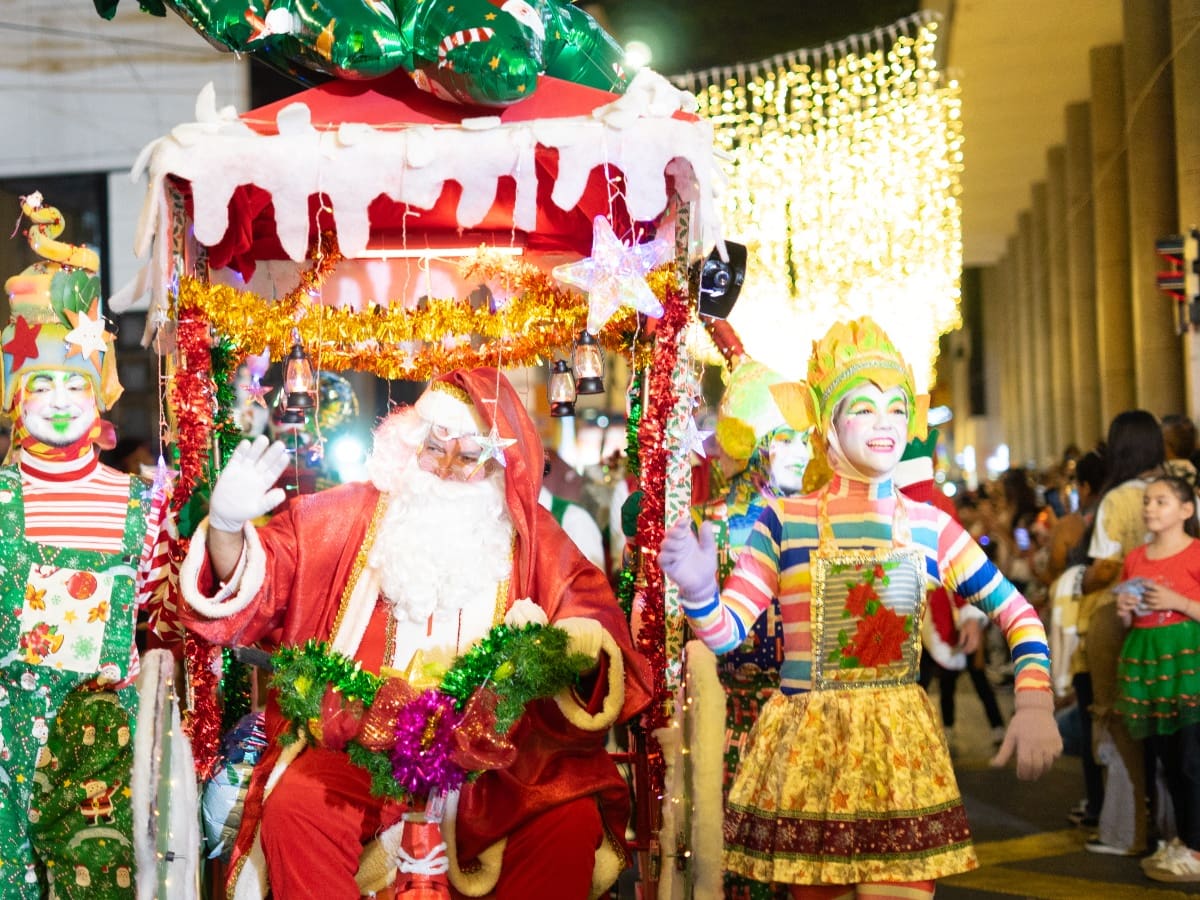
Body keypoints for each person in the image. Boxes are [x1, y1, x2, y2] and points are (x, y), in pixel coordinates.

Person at [178, 366, 653, 900]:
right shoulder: (349, 515)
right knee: (297, 809)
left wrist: (576, 643)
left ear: (498, 464)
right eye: (435, 448)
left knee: (565, 825)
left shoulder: (530, 537)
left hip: (498, 763)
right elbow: (257, 577)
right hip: (360, 744)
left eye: (470, 455)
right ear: (409, 444)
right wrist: (224, 530)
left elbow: (592, 619)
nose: (448, 468)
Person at [658, 317, 1060, 897]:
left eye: (897, 408)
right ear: (826, 423)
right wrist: (698, 592)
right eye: (865, 407)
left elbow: (1017, 613)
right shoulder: (784, 522)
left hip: (898, 753)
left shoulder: (929, 527)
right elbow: (726, 637)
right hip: (810, 752)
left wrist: (1034, 699)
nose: (886, 424)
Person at [0, 194, 173, 897]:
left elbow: (166, 623)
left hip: (105, 775)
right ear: (15, 393)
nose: (63, 400)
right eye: (44, 384)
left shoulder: (142, 505)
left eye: (77, 382)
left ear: (100, 390)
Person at [687, 357, 817, 900]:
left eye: (807, 441)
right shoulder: (716, 520)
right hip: (737, 717)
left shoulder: (817, 517)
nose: (803, 454)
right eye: (787, 440)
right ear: (758, 442)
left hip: (810, 714)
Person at [1079, 409, 1165, 857]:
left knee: (1119, 722)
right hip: (1172, 618)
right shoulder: (1177, 492)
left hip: (1119, 616)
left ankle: (1130, 830)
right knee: (1169, 726)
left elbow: (1106, 567)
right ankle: (1175, 828)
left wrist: (1078, 581)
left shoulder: (1116, 499)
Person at [1112, 475, 1200, 882]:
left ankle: (1196, 848)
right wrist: (1126, 609)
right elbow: (1129, 616)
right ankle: (1181, 838)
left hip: (1188, 666)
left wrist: (1178, 602)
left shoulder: (1196, 554)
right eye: (1148, 501)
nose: (1150, 508)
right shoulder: (1135, 558)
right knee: (1164, 760)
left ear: (1186, 510)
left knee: (1190, 759)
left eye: (1161, 502)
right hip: (1148, 663)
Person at [894, 431, 1001, 755]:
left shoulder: (937, 503)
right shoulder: (878, 498)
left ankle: (956, 731)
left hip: (935, 608)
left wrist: (969, 613)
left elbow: (960, 561)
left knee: (933, 678)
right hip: (901, 616)